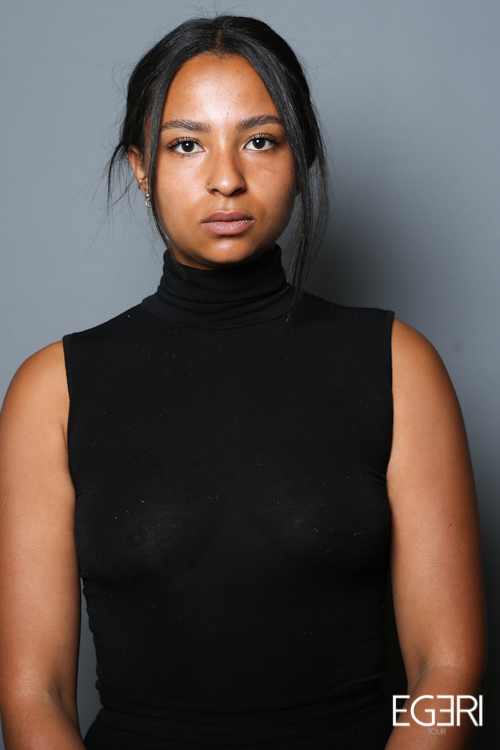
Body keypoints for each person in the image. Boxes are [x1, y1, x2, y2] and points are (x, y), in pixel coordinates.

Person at [0, 14, 487, 750]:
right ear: (140, 166)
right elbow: (29, 694)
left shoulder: (399, 365)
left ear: (302, 155)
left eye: (261, 140)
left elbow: (454, 677)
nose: (225, 178)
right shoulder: (53, 392)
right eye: (185, 144)